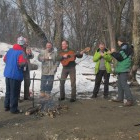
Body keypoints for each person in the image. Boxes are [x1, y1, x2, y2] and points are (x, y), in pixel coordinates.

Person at [3, 36, 27, 114]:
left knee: (8, 91)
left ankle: (6, 106)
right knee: (15, 92)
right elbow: (21, 63)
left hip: (8, 74)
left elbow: (4, 59)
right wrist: (25, 63)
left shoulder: (10, 50)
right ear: (23, 44)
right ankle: (13, 109)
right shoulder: (21, 52)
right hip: (16, 75)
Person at [109, 36, 134, 106]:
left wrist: (112, 53)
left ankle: (130, 100)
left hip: (124, 68)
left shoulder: (125, 47)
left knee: (124, 84)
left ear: (121, 41)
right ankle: (120, 98)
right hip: (121, 68)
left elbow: (120, 57)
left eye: (118, 41)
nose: (117, 42)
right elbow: (121, 56)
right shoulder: (125, 47)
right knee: (119, 84)